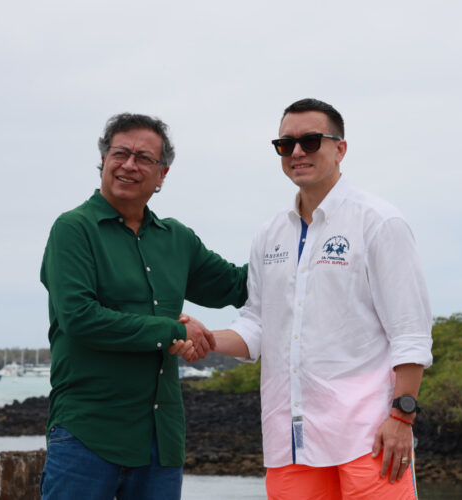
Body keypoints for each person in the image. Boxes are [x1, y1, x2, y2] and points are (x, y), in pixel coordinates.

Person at [175, 98, 433, 499]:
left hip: (369, 438)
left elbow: (411, 332)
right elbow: (258, 324)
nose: (297, 152)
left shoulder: (380, 223)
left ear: (340, 148)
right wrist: (206, 337)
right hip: (290, 442)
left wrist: (402, 417)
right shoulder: (269, 234)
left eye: (310, 141)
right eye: (286, 144)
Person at [39, 113, 247, 500]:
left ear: (162, 174)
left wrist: (305, 247)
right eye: (120, 153)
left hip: (160, 441)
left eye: (144, 158)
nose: (129, 165)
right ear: (103, 161)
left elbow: (238, 285)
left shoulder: (177, 239)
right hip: (87, 435)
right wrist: (175, 329)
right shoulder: (73, 229)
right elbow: (81, 319)